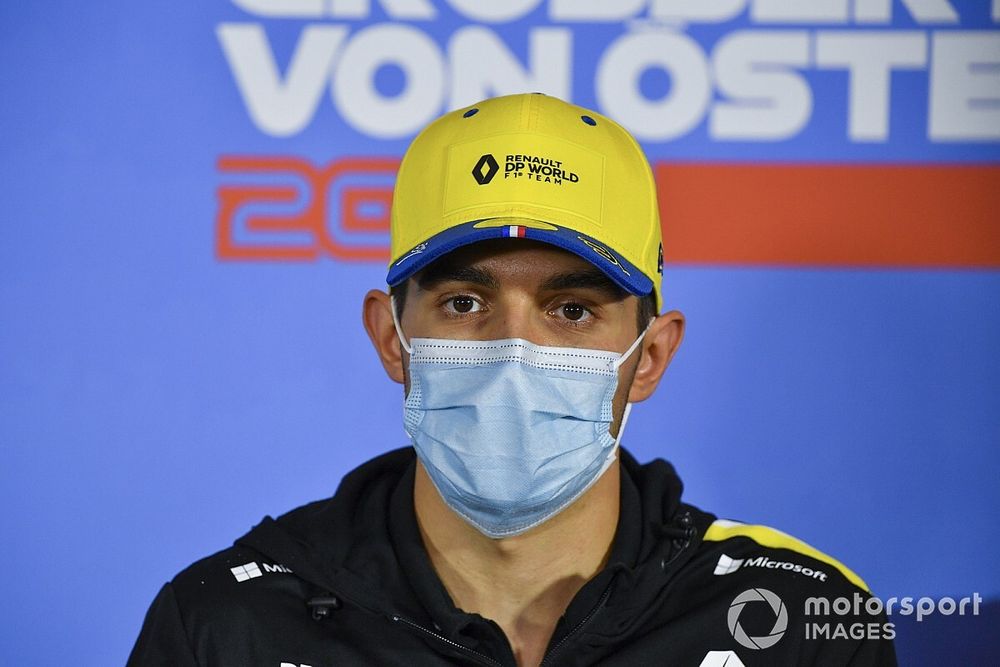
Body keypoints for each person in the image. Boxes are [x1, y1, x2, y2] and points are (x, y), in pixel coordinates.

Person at [129, 94, 896, 666]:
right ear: (391, 341)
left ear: (650, 357)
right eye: (465, 302)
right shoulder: (230, 622)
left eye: (570, 309)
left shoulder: (801, 624)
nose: (514, 351)